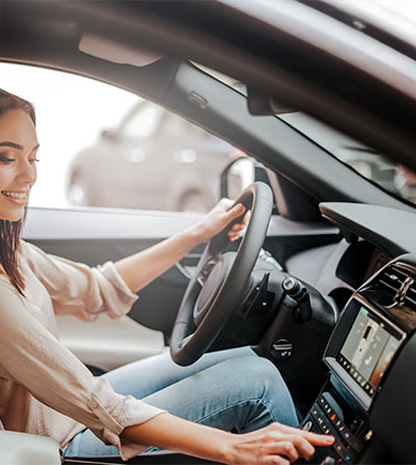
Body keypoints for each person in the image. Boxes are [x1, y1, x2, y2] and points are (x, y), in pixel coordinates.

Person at [0, 89, 334, 465]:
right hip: (57, 444)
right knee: (258, 387)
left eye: (33, 157)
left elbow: (97, 289)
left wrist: (199, 232)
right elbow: (99, 405)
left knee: (251, 359)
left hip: (69, 412)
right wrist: (232, 447)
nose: (29, 174)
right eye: (7, 157)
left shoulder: (10, 250)